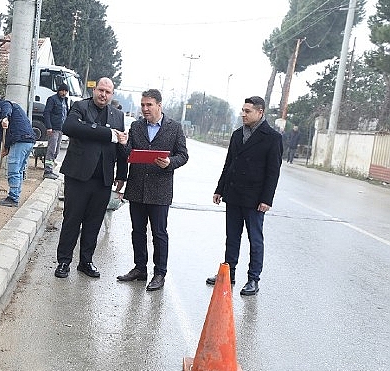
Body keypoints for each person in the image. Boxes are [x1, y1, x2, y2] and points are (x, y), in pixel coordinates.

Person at [206, 96, 282, 296]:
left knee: (255, 239)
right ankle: (227, 274)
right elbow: (229, 163)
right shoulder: (237, 134)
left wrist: (266, 200)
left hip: (255, 199)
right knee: (232, 237)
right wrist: (220, 189)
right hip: (234, 194)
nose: (243, 114)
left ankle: (253, 279)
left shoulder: (272, 137)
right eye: (242, 110)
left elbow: (273, 172)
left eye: (248, 111)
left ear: (260, 112)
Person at [53, 77, 128, 279]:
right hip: (78, 176)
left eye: (108, 92)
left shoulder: (118, 115)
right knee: (72, 220)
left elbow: (120, 146)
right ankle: (63, 262)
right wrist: (107, 134)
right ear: (94, 90)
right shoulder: (80, 107)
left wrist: (122, 174)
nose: (103, 95)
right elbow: (70, 127)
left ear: (112, 95)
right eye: (101, 90)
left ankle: (86, 262)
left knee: (94, 223)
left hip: (103, 178)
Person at [116, 89, 189, 291]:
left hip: (160, 190)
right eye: (143, 105)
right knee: (137, 231)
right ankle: (140, 269)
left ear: (159, 105)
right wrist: (123, 144)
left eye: (149, 105)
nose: (145, 109)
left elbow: (183, 155)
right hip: (137, 187)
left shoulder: (174, 128)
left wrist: (169, 162)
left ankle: (160, 273)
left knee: (159, 233)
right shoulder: (136, 126)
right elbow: (128, 154)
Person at [0, 97, 38, 207]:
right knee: (19, 170)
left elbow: (6, 109)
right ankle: (15, 194)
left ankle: (13, 198)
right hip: (28, 141)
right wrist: (6, 148)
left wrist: (4, 118)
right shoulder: (17, 110)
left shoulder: (5, 104)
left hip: (20, 140)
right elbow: (5, 134)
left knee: (13, 169)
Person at [42, 83, 69, 179]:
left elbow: (66, 114)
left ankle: (51, 168)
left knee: (56, 151)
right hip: (53, 129)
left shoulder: (65, 101)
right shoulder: (52, 99)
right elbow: (47, 113)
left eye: (66, 91)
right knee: (51, 150)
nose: (64, 93)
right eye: (63, 91)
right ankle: (47, 171)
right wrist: (49, 127)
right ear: (59, 90)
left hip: (61, 129)